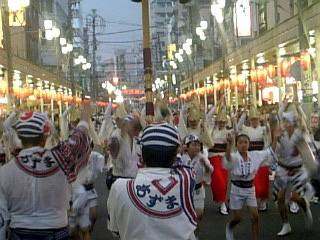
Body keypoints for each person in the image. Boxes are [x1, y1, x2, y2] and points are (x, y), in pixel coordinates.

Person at [0, 102, 94, 240]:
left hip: (19, 232)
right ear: (45, 138)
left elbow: (2, 216)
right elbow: (78, 140)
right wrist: (84, 119)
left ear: (19, 136)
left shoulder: (6, 171)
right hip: (56, 231)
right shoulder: (61, 159)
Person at [107, 122, 198, 240]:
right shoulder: (186, 180)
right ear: (176, 152)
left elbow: (116, 230)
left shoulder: (119, 188)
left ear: (142, 153)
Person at [224, 130, 279, 240]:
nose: (243, 145)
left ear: (249, 144)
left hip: (250, 188)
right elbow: (228, 158)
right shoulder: (234, 156)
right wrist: (229, 144)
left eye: (245, 142)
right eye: (240, 142)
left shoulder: (255, 155)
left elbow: (270, 152)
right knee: (238, 218)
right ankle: (230, 227)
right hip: (237, 189)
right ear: (237, 145)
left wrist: (276, 139)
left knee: (255, 216)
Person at [274, 103, 314, 236]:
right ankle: (286, 224)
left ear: (292, 123)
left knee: (296, 197)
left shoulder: (300, 134)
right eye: (284, 121)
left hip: (297, 169)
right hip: (283, 168)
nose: (285, 124)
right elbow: (273, 149)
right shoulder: (281, 134)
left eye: (287, 121)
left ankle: (305, 207)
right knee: (280, 197)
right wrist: (275, 138)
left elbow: (308, 151)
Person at [237, 105, 271, 211]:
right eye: (252, 119)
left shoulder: (263, 129)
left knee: (264, 180)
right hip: (251, 156)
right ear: (250, 120)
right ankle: (254, 200)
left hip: (262, 155)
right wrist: (243, 113)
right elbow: (238, 126)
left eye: (256, 119)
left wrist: (266, 121)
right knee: (253, 179)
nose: (254, 121)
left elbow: (270, 133)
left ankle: (263, 202)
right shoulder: (246, 129)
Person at [181, 135, 213, 238]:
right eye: (194, 145)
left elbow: (210, 170)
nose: (197, 148)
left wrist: (206, 166)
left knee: (199, 215)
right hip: (184, 190)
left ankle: (195, 235)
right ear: (187, 146)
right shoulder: (181, 157)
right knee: (185, 216)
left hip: (198, 189)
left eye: (199, 145)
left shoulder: (202, 157)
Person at [208, 104, 232, 215]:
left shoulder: (228, 132)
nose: (221, 124)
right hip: (213, 156)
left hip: (223, 156)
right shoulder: (212, 129)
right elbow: (208, 117)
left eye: (223, 122)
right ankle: (221, 201)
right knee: (217, 179)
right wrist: (217, 104)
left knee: (224, 180)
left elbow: (229, 146)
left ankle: (222, 201)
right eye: (220, 121)